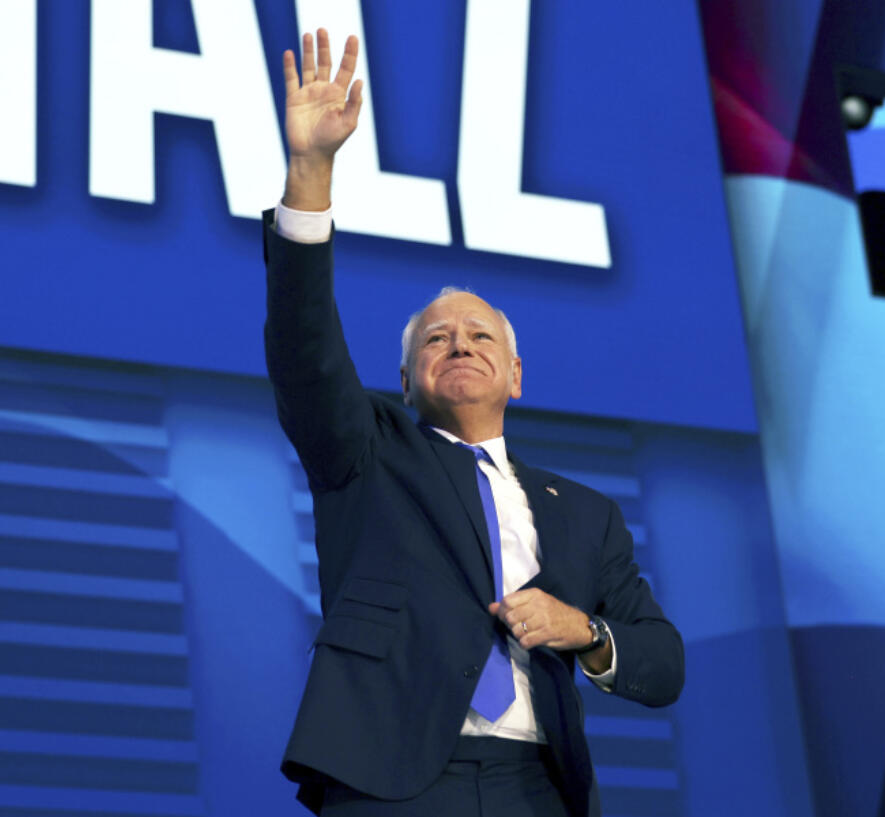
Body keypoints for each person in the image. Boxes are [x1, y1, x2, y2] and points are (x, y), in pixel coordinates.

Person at [264, 29, 684, 817]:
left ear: (516, 375)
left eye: (480, 335)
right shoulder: (367, 450)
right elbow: (305, 348)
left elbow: (662, 662)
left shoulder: (586, 515)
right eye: (436, 336)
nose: (458, 341)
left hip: (540, 787)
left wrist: (585, 629)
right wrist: (311, 173)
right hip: (392, 776)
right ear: (403, 379)